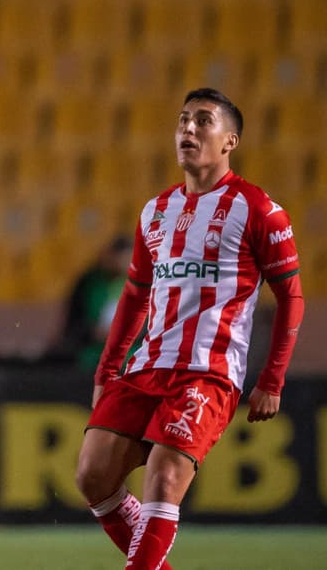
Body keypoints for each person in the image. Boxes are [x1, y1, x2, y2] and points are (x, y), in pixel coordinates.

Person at [74, 88, 304, 570]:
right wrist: (106, 371)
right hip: (146, 366)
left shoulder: (257, 208)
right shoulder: (155, 212)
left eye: (203, 121)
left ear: (229, 141)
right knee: (93, 476)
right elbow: (135, 298)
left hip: (207, 371)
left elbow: (291, 297)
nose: (188, 129)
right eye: (182, 120)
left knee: (163, 479)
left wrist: (271, 379)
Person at [48, 234, 136, 372]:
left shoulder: (140, 285)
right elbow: (74, 323)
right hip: (91, 354)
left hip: (129, 355)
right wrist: (93, 332)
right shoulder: (89, 283)